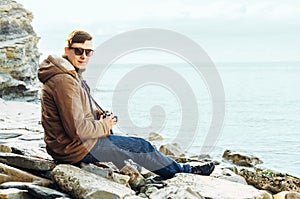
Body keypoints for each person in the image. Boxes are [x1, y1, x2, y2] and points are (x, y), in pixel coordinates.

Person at [37, 30, 215, 180]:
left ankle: (129, 169)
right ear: (67, 50)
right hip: (72, 149)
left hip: (69, 145)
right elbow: (77, 130)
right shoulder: (64, 81)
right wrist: (104, 125)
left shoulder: (70, 75)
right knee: (141, 146)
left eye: (88, 52)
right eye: (78, 51)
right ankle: (184, 171)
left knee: (123, 141)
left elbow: (79, 111)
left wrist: (100, 115)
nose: (83, 56)